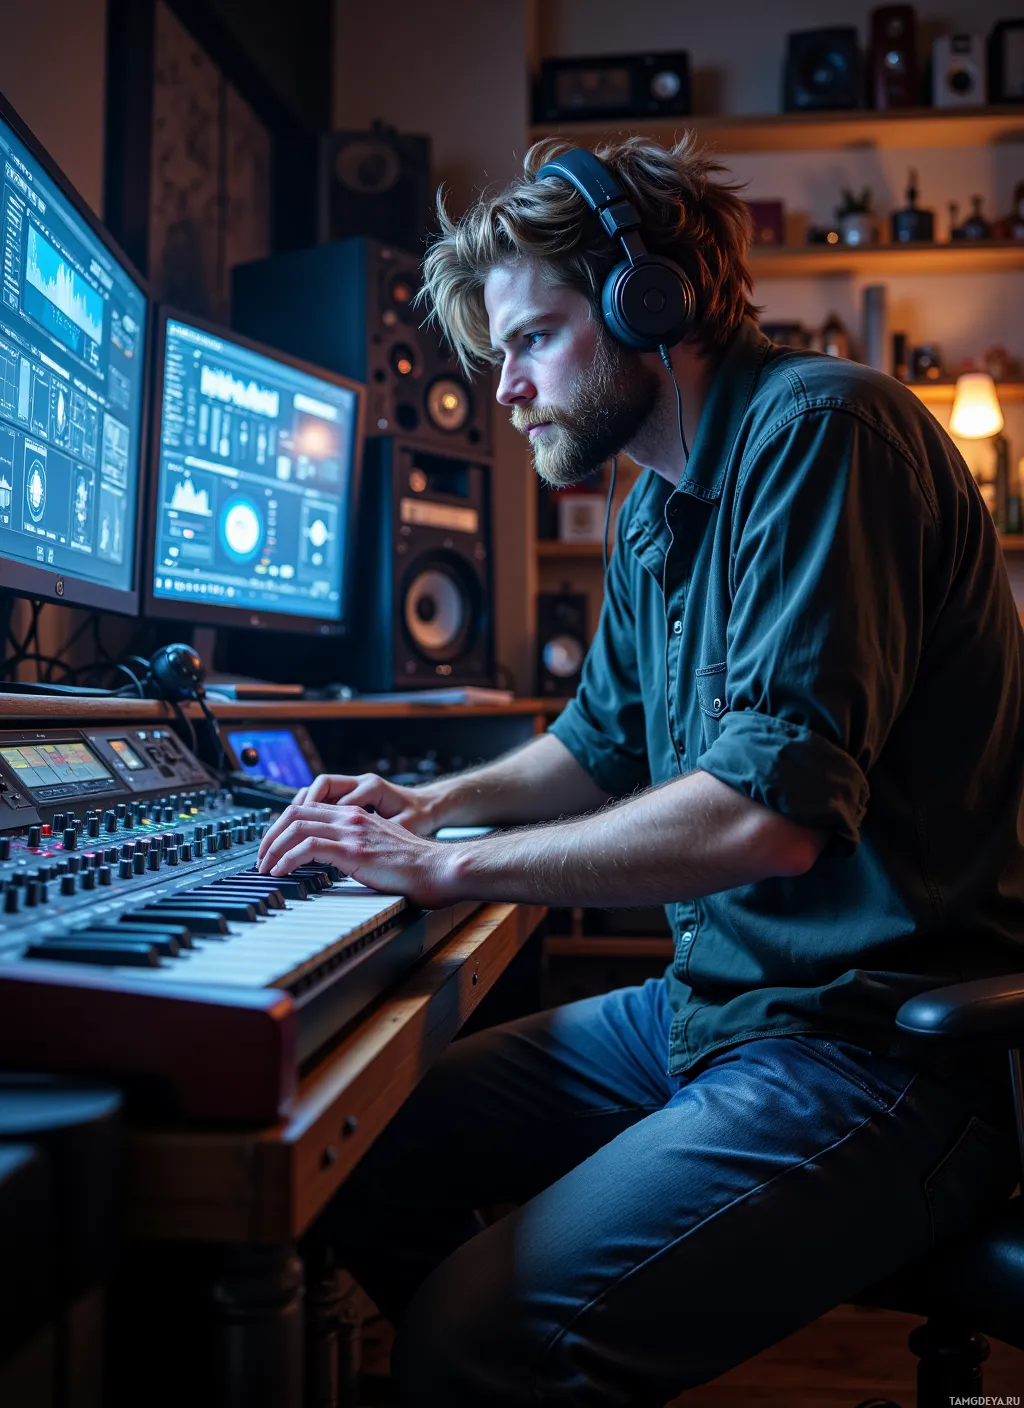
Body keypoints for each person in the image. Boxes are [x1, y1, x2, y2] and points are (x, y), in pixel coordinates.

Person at [256, 135, 1024, 1406]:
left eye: (531, 341)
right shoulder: (660, 504)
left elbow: (767, 822)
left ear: (648, 299)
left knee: (471, 1336)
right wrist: (424, 803)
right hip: (716, 1017)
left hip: (881, 1057)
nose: (503, 391)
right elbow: (594, 744)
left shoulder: (826, 432)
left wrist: (445, 866)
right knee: (359, 1155)